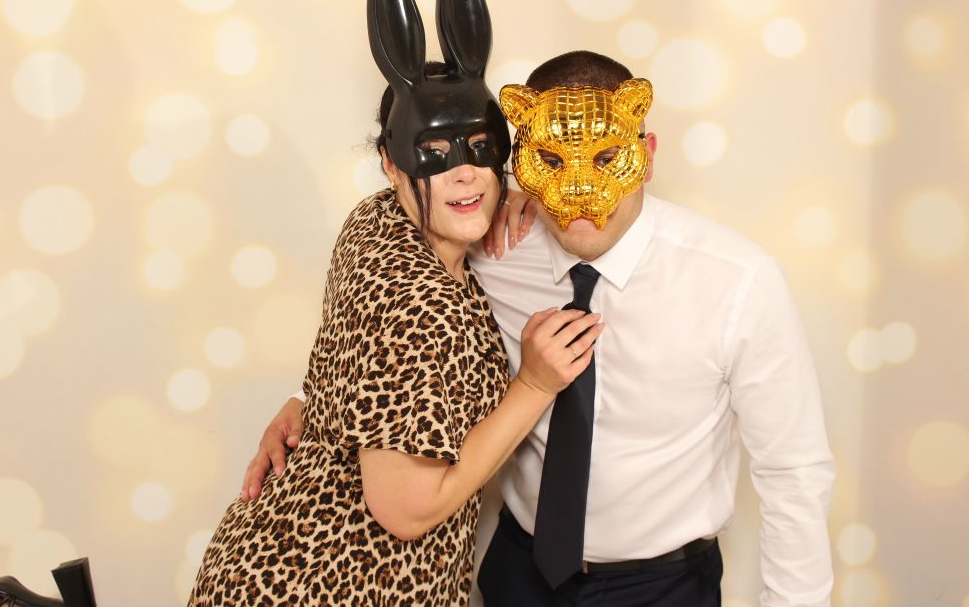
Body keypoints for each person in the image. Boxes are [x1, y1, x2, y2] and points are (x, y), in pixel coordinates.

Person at [247, 50, 835, 607]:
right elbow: (391, 298)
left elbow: (793, 472)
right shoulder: (491, 245)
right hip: (518, 572)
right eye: (552, 162)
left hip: (661, 587)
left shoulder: (739, 283)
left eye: (605, 158)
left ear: (648, 153)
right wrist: (314, 397)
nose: (579, 190)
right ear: (522, 160)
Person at [188, 0, 602, 607]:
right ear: (391, 162)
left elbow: (363, 359)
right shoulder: (421, 303)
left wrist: (313, 402)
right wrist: (532, 384)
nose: (464, 173)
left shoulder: (374, 220)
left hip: (263, 556)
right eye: (434, 153)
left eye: (480, 149)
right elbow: (407, 510)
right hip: (337, 586)